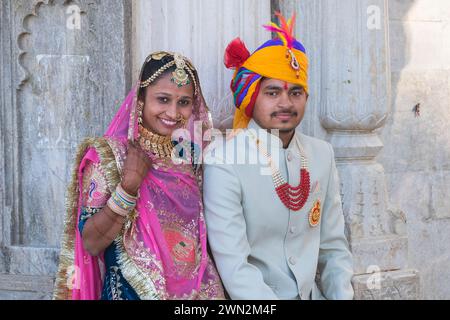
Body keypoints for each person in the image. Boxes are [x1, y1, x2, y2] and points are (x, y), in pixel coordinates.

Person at [203, 13, 354, 300]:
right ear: (251, 97)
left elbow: (334, 249)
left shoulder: (321, 154)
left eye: (296, 92)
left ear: (306, 99)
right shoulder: (224, 162)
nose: (286, 103)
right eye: (272, 92)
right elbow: (236, 268)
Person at [53, 51, 225, 300]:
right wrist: (128, 188)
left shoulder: (189, 157)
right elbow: (91, 242)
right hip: (131, 293)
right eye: (163, 99)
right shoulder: (110, 157)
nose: (173, 112)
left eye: (184, 102)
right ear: (141, 99)